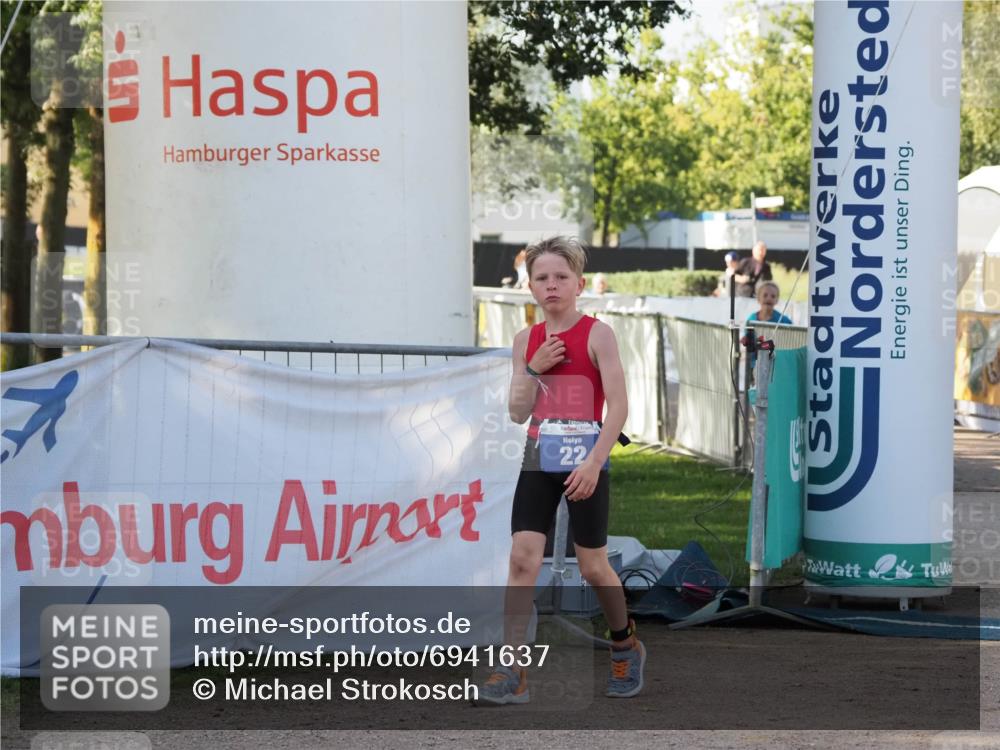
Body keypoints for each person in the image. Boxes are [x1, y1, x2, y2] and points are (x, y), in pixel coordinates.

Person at [477, 236, 644, 705]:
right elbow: (516, 412)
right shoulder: (525, 341)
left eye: (561, 277)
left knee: (592, 567)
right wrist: (532, 369)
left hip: (585, 455)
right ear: (529, 286)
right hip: (539, 456)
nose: (551, 285)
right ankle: (513, 671)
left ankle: (625, 645)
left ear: (579, 284)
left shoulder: (598, 334)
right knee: (521, 558)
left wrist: (594, 462)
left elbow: (619, 407)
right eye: (542, 278)